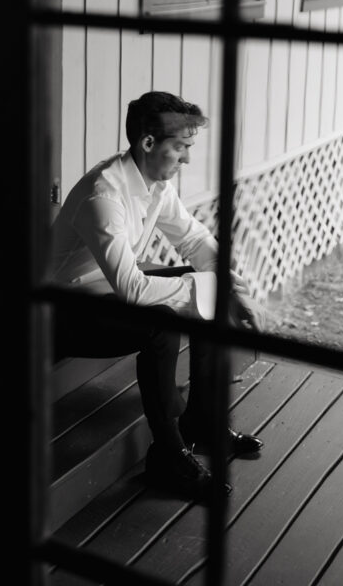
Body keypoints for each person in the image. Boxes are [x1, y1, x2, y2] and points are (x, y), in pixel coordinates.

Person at [51, 91, 266, 501]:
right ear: (148, 143)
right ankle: (167, 455)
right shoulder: (104, 196)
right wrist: (206, 288)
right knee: (162, 322)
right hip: (59, 313)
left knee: (204, 287)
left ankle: (201, 421)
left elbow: (194, 239)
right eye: (181, 148)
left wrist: (229, 284)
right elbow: (133, 289)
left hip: (103, 294)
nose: (186, 159)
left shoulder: (154, 183)